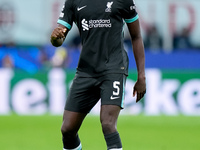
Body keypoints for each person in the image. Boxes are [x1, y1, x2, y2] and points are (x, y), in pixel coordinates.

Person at [50, 0, 146, 149]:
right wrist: (55, 38)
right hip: (86, 71)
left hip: (113, 68)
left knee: (108, 124)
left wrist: (141, 76)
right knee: (67, 129)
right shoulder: (73, 2)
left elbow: (136, 36)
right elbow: (59, 39)